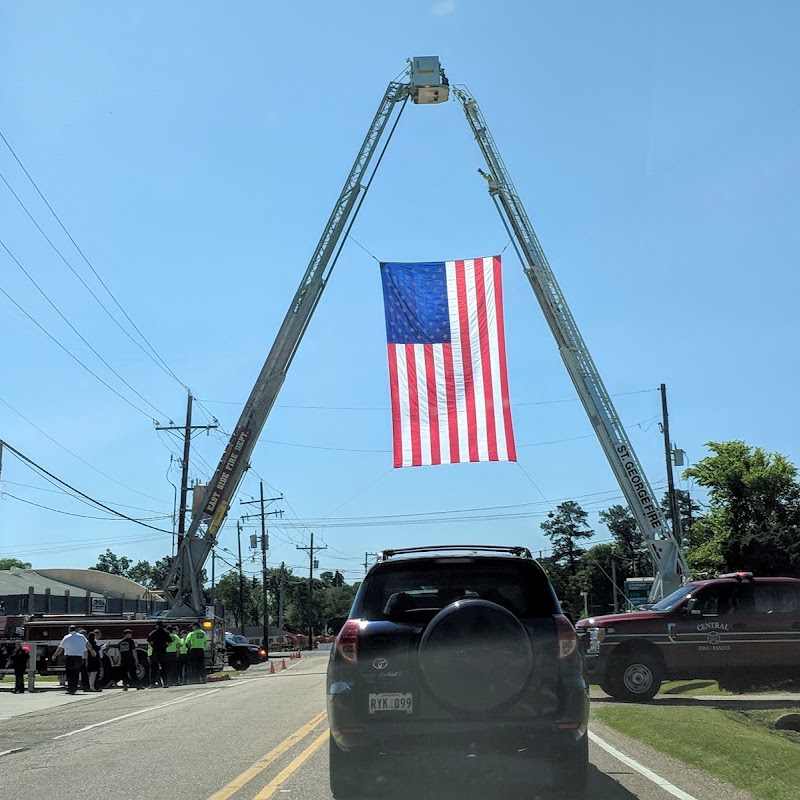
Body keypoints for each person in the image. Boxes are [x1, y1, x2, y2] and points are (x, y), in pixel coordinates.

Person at [52, 625, 90, 695]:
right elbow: (87, 644)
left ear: (69, 630)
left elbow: (60, 648)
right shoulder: (81, 637)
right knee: (76, 674)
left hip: (70, 657)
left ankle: (70, 689)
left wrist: (55, 655)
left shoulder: (66, 637)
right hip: (79, 657)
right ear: (75, 630)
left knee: (70, 674)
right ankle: (74, 688)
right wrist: (93, 651)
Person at [147, 620, 172, 687]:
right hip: (163, 652)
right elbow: (170, 642)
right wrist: (165, 646)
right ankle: (166, 683)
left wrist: (153, 646)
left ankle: (152, 684)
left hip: (155, 652)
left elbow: (149, 641)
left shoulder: (153, 633)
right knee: (164, 668)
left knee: (153, 668)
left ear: (157, 625)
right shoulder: (165, 633)